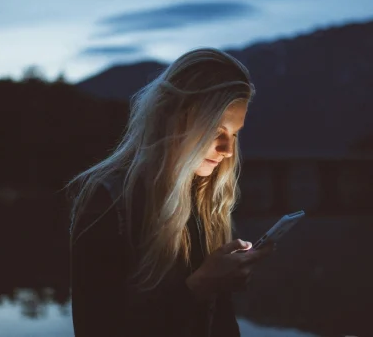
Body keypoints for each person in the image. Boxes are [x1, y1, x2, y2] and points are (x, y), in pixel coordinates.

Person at [66, 47, 275, 337]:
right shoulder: (108, 202)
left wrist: (219, 281)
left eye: (235, 134)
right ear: (175, 117)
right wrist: (201, 285)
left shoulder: (202, 197)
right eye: (217, 131)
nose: (228, 151)